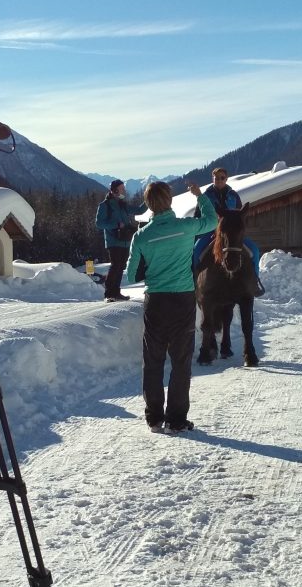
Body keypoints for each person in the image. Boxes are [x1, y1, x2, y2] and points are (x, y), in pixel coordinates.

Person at [125, 181, 216, 433]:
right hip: (183, 300)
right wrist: (201, 197)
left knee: (153, 361)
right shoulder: (186, 228)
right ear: (170, 200)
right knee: (181, 361)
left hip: (155, 301)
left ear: (148, 204)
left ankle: (154, 418)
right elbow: (212, 222)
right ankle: (176, 420)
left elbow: (131, 275)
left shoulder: (141, 236)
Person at [192, 167, 264, 296]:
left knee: (254, 250)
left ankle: (254, 283)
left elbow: (240, 215)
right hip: (210, 231)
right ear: (212, 178)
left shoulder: (233, 195)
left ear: (226, 179)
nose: (219, 180)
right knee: (196, 251)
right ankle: (194, 282)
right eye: (216, 177)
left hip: (231, 233)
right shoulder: (205, 196)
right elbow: (197, 215)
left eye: (222, 178)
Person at [95, 179, 146, 302]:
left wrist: (148, 200)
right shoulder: (104, 205)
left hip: (125, 240)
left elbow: (138, 211)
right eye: (122, 188)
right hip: (113, 241)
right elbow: (99, 223)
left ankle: (116, 292)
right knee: (115, 265)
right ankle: (109, 293)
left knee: (120, 266)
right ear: (114, 190)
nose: (124, 191)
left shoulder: (122, 205)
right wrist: (117, 224)